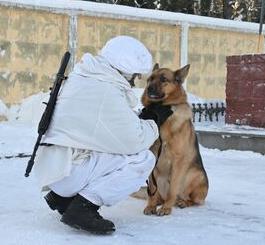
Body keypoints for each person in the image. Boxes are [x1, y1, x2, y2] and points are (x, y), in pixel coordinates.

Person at [33, 36, 173, 235]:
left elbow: (101, 126)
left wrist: (141, 119)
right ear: (124, 69)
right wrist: (153, 122)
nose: (138, 78)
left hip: (57, 168)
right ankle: (83, 208)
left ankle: (63, 199)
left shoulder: (88, 77)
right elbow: (134, 141)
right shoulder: (106, 89)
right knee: (142, 159)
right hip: (67, 172)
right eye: (135, 73)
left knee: (119, 153)